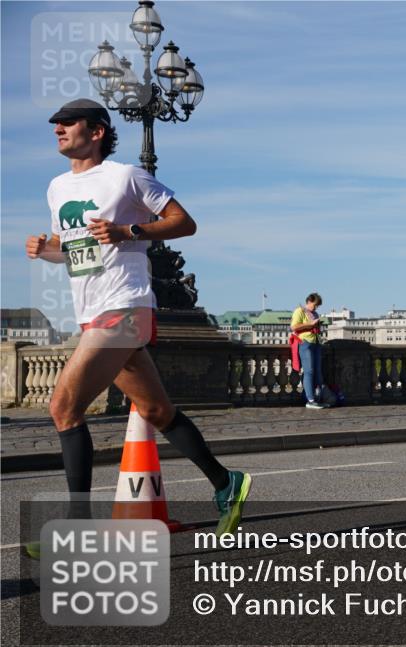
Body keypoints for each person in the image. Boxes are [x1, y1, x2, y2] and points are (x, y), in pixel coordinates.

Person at [24, 98, 251, 546]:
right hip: (93, 313)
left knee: (63, 408)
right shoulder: (56, 188)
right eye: (56, 124)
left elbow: (183, 222)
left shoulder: (126, 176)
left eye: (69, 123)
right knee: (155, 411)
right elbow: (72, 250)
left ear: (98, 132)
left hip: (125, 307)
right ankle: (227, 483)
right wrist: (44, 248)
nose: (58, 129)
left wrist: (131, 231)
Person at [290, 293, 331, 408]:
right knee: (309, 371)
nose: (316, 308)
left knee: (318, 372)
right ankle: (310, 400)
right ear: (309, 301)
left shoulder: (315, 313)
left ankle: (317, 398)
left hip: (316, 343)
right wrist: (310, 324)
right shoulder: (299, 311)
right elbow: (294, 327)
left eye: (318, 306)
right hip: (305, 343)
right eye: (315, 305)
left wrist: (316, 325)